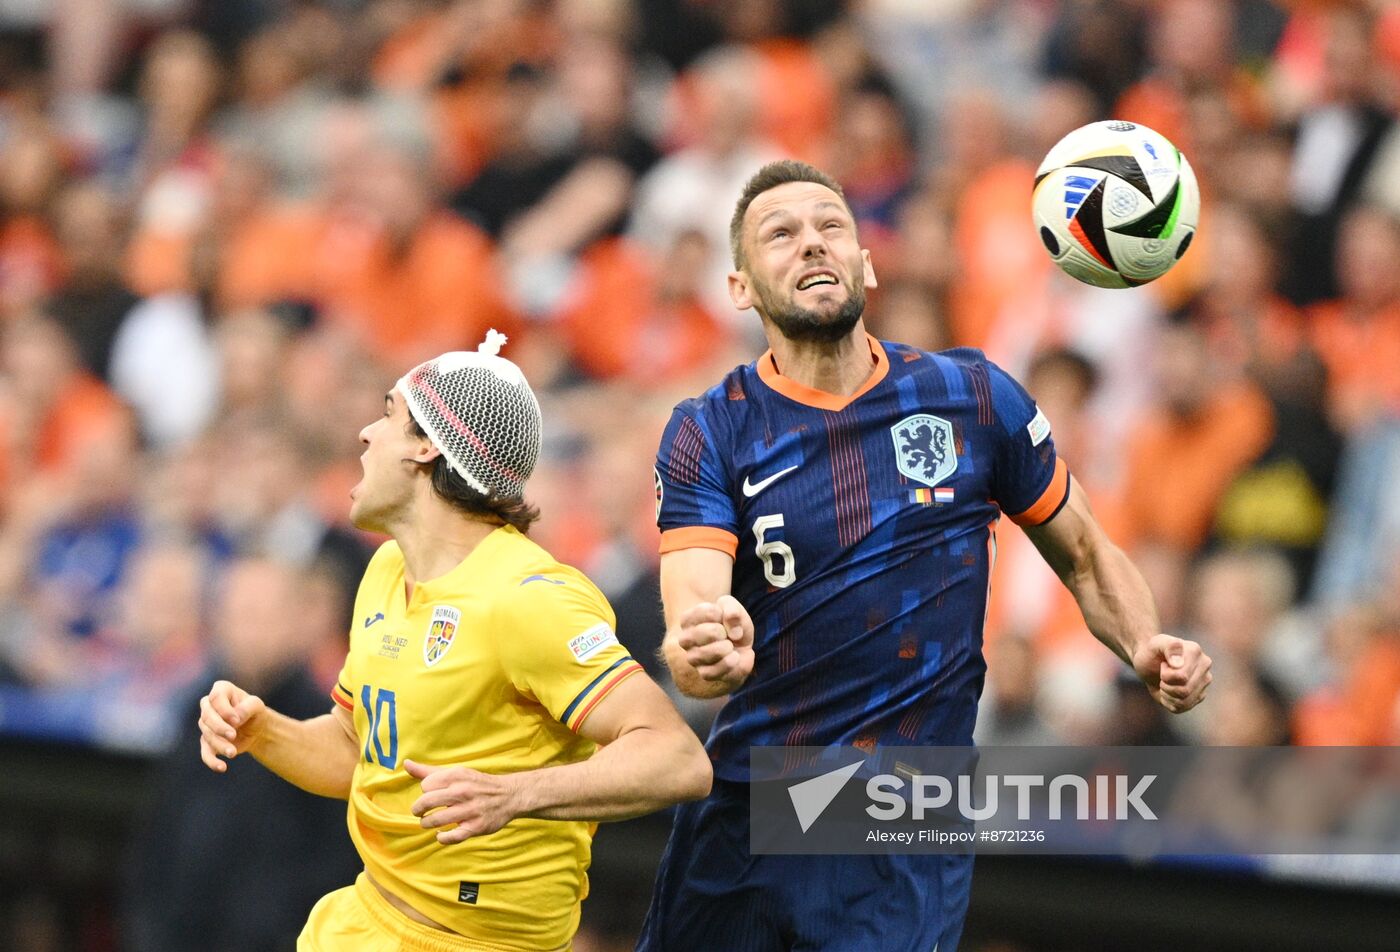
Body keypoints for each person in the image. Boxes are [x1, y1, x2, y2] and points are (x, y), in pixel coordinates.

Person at [640, 160, 1213, 952]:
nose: (812, 244)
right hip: (751, 804)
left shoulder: (974, 397)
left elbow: (1085, 554)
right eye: (781, 234)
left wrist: (1144, 643)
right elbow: (693, 618)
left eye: (830, 226)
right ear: (740, 287)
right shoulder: (712, 429)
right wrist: (706, 651)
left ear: (868, 264)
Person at [197, 331, 711, 951]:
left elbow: (677, 758)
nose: (365, 434)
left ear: (425, 448)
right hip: (362, 924)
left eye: (387, 413)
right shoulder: (386, 570)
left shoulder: (528, 596)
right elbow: (358, 752)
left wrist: (515, 793)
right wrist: (264, 731)